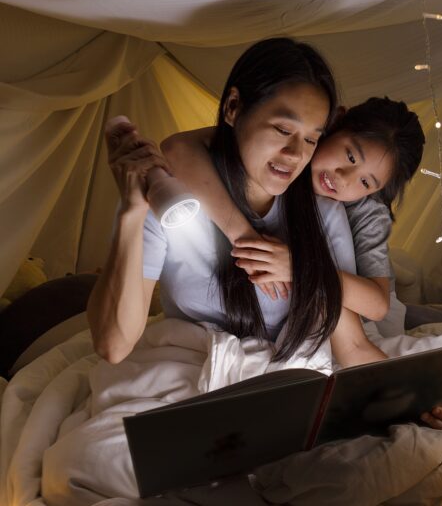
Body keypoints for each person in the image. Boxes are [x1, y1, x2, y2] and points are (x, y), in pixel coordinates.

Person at [87, 37, 386, 368]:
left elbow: (353, 344)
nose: (295, 154)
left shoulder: (322, 215)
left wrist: (411, 397)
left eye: (311, 139)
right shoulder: (170, 203)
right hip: (190, 371)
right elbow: (113, 346)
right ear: (232, 107)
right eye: (282, 129)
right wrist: (131, 213)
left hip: (283, 384)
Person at [161, 97, 426, 338]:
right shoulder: (287, 150)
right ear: (332, 124)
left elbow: (378, 305)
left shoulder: (365, 209)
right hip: (317, 300)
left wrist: (298, 268)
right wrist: (245, 235)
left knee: (421, 321)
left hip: (363, 309)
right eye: (350, 156)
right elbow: (178, 146)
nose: (343, 178)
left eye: (366, 182)